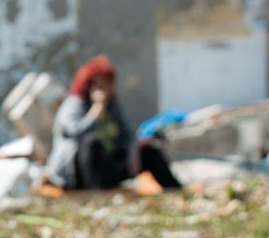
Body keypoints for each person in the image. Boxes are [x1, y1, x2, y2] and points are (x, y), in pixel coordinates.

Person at [43, 55, 181, 192]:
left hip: (109, 165)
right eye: (98, 85)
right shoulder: (74, 104)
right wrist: (98, 107)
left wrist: (133, 150)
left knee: (149, 152)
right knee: (92, 143)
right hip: (77, 172)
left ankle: (175, 190)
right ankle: (97, 193)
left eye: (106, 85)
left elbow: (127, 133)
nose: (103, 90)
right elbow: (77, 132)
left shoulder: (113, 104)